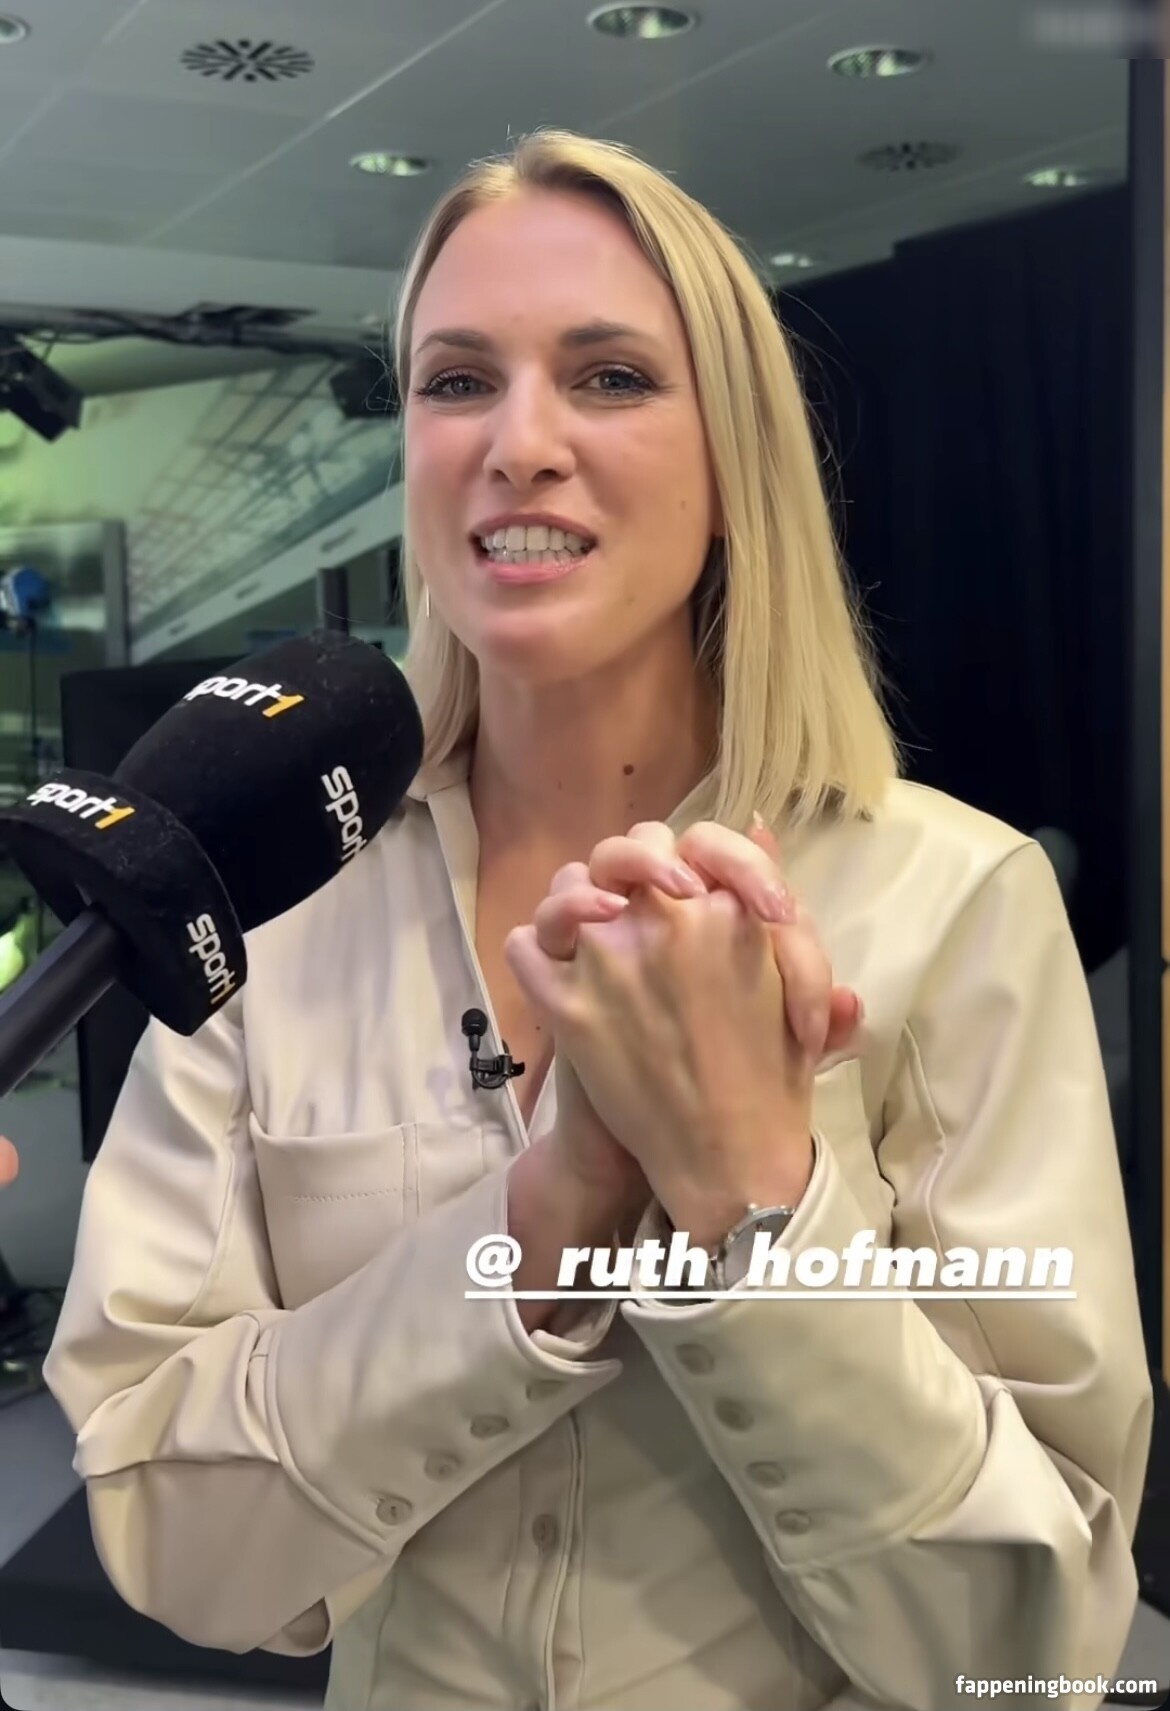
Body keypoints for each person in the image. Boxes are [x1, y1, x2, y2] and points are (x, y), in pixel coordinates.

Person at [35, 129, 1149, 1711]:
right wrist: (538, 1223)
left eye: (610, 376)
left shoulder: (956, 903)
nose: (519, 443)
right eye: (456, 381)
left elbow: (1026, 1648)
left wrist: (748, 1201)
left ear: (735, 460)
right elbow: (179, 1547)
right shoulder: (268, 912)